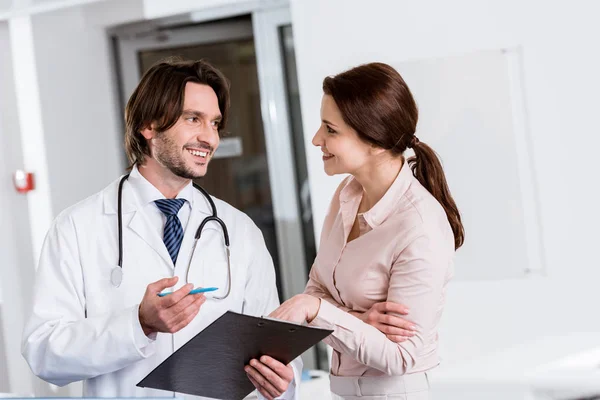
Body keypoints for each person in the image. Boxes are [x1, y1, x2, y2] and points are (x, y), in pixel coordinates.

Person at [21, 58, 301, 400]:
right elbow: (44, 353)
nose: (208, 137)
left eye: (214, 123)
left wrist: (281, 382)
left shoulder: (240, 231)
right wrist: (139, 324)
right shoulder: (77, 228)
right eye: (193, 119)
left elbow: (270, 346)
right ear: (148, 126)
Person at [270, 62, 465, 399]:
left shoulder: (420, 228)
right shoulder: (346, 195)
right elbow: (317, 286)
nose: (317, 139)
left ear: (373, 140)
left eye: (331, 129)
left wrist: (319, 312)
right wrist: (355, 319)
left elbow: (401, 356)